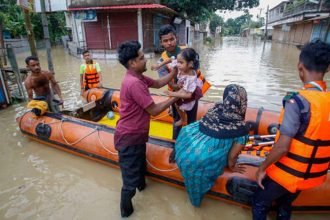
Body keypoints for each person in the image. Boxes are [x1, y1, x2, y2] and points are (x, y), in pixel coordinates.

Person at [252, 40, 330, 220]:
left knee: (259, 201)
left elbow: (282, 147)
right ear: (327, 69)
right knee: (286, 204)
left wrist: (262, 168)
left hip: (288, 174)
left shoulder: (297, 102)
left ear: (300, 67)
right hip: (312, 176)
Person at [115, 40, 179, 218]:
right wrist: (176, 96)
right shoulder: (133, 83)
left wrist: (174, 71)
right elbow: (155, 110)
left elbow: (158, 84)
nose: (146, 60)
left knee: (141, 169)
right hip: (129, 138)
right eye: (142, 58)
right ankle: (125, 213)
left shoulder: (138, 77)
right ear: (132, 63)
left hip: (138, 136)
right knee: (129, 184)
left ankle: (143, 188)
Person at [175, 84, 250, 207]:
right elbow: (232, 156)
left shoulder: (215, 109)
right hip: (200, 161)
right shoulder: (241, 128)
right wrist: (233, 167)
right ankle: (195, 205)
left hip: (184, 147)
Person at [154, 24, 210, 139]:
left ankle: (191, 143)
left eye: (171, 39)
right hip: (177, 95)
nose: (169, 43)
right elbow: (168, 83)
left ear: (176, 38)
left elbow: (196, 69)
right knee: (177, 121)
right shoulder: (162, 61)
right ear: (161, 43)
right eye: (165, 41)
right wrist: (177, 89)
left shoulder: (187, 51)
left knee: (192, 120)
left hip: (192, 92)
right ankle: (175, 145)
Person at [164, 48, 203, 126]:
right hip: (182, 87)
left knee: (179, 105)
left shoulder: (191, 77)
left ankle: (183, 119)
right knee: (176, 103)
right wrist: (158, 65)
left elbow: (188, 95)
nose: (178, 64)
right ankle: (183, 118)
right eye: (178, 61)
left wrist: (172, 93)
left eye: (181, 63)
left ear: (190, 64)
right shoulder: (182, 65)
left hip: (190, 92)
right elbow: (170, 60)